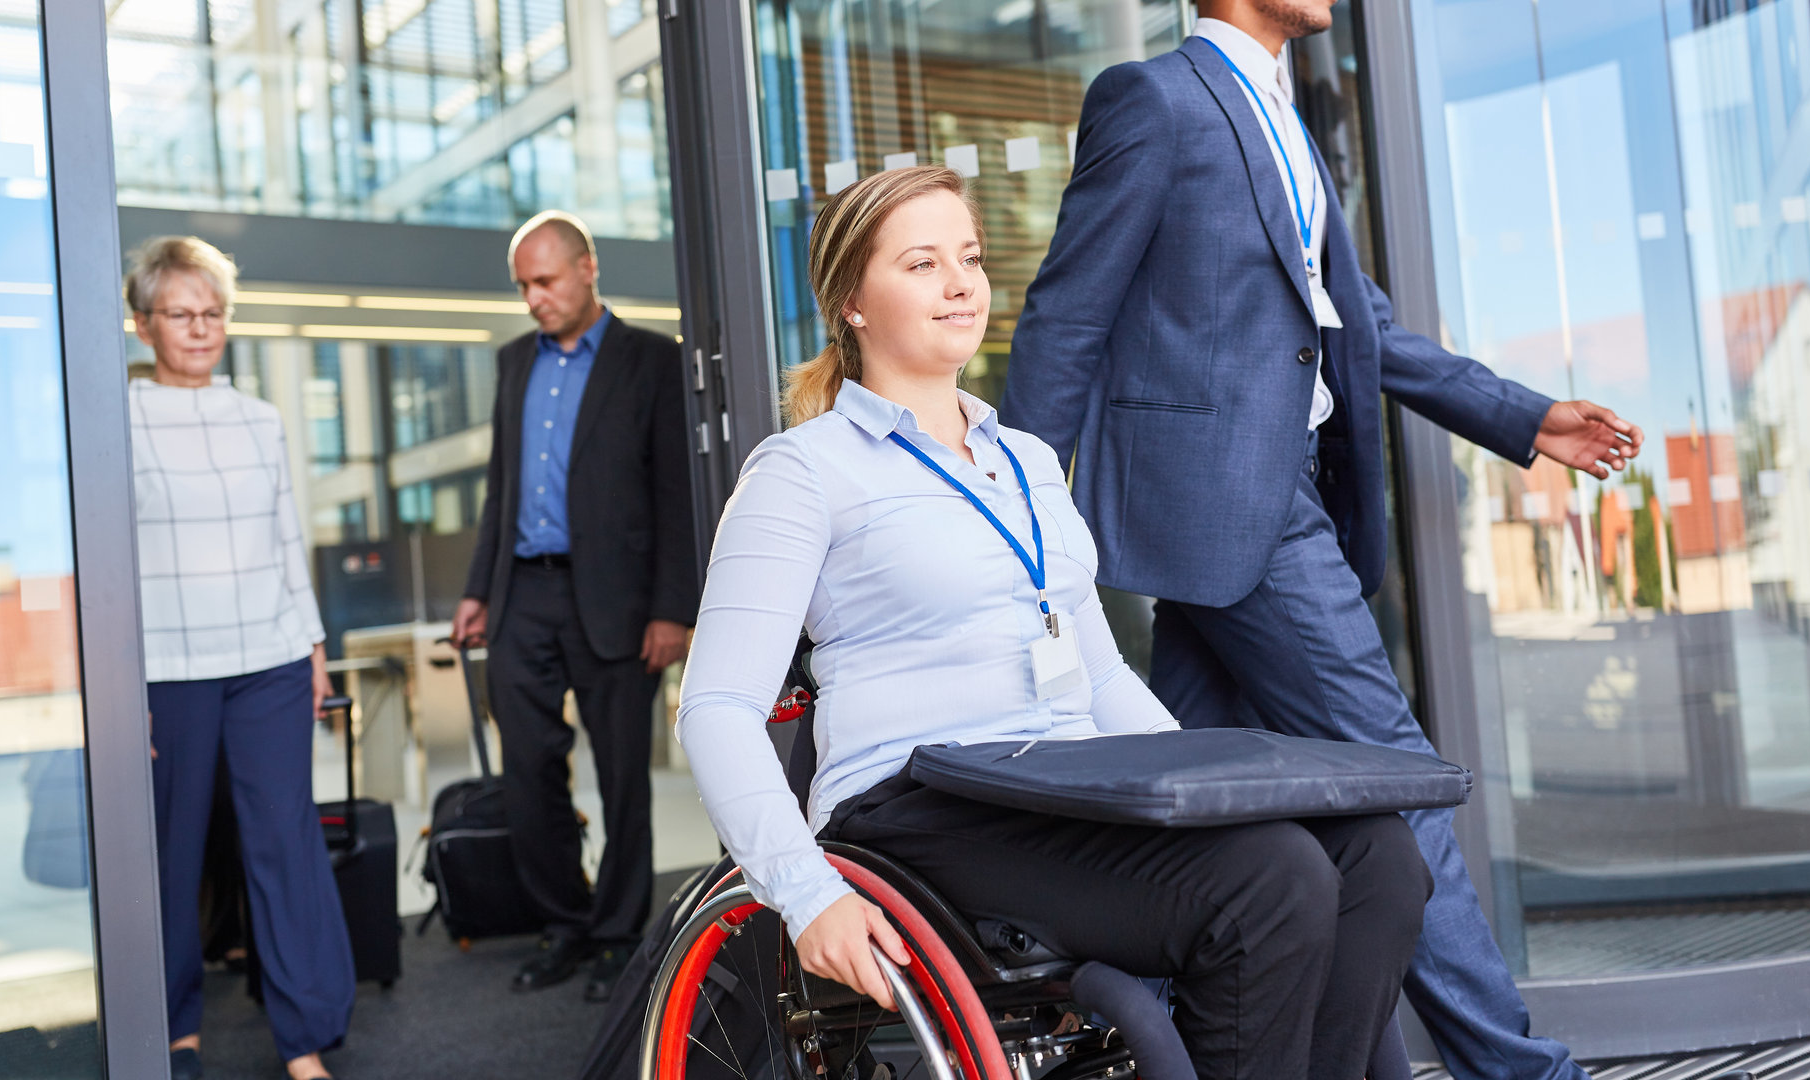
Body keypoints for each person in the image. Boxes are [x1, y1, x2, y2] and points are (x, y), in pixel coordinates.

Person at [999, 3, 1645, 1078]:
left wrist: (1523, 417)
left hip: (1264, 508)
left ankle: (1103, 1023)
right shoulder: (1152, 101)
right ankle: (1521, 1071)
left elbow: (1361, 324)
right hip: (1231, 507)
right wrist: (1016, 511)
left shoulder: (1288, 122)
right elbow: (1070, 311)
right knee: (1400, 779)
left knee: (1179, 800)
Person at [677, 165, 1432, 1080]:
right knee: (1272, 881)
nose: (960, 283)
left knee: (1377, 857)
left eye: (970, 257)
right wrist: (805, 896)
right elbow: (716, 705)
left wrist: (1212, 791)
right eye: (922, 264)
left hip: (1067, 784)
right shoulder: (803, 471)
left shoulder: (1027, 461)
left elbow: (1101, 677)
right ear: (851, 303)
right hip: (921, 804)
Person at [450, 210, 700, 1002]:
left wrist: (672, 608)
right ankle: (564, 922)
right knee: (528, 769)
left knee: (623, 774)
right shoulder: (514, 362)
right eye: (523, 285)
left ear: (588, 268)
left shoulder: (653, 360)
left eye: (545, 280)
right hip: (523, 592)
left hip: (619, 601)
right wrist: (478, 590)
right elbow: (503, 487)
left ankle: (619, 935)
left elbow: (674, 494)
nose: (533, 298)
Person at [126, 236, 353, 1080]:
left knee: (285, 844)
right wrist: (122, 686)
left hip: (268, 659)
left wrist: (313, 649)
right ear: (142, 323)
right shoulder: (118, 417)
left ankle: (304, 1041)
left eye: (212, 313)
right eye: (180, 315)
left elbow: (288, 542)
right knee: (169, 855)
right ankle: (171, 1032)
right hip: (167, 667)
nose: (199, 329)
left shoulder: (261, 419)